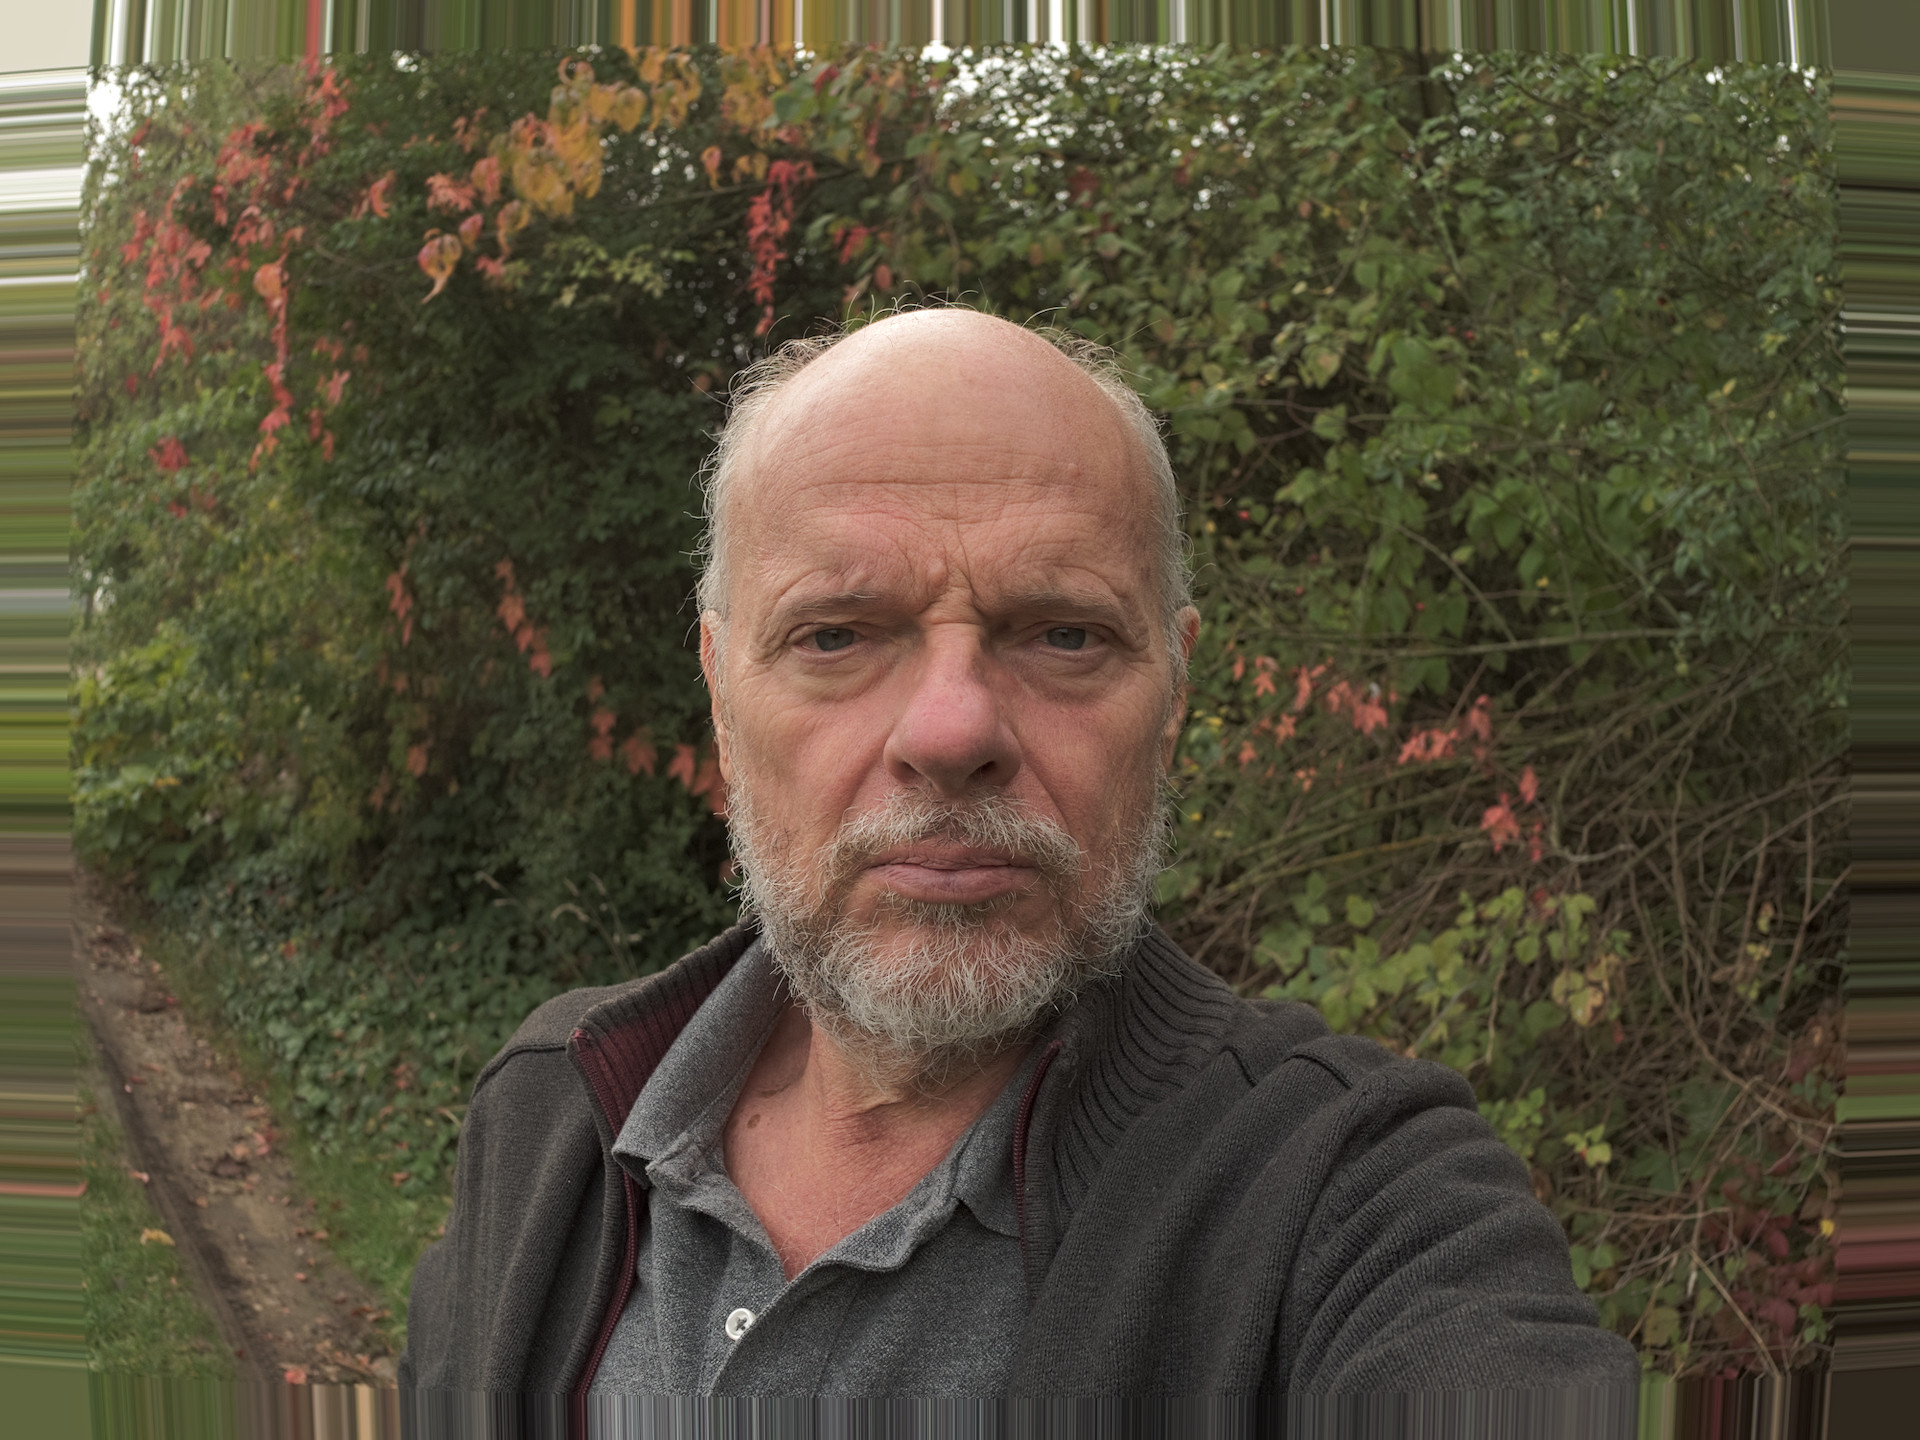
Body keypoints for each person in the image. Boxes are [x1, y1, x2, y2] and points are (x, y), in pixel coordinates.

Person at [400, 309, 1641, 1436]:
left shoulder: (1351, 1198)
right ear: (722, 695)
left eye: (1063, 634)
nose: (952, 732)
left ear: (1172, 695)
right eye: (835, 635)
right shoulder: (551, 1113)